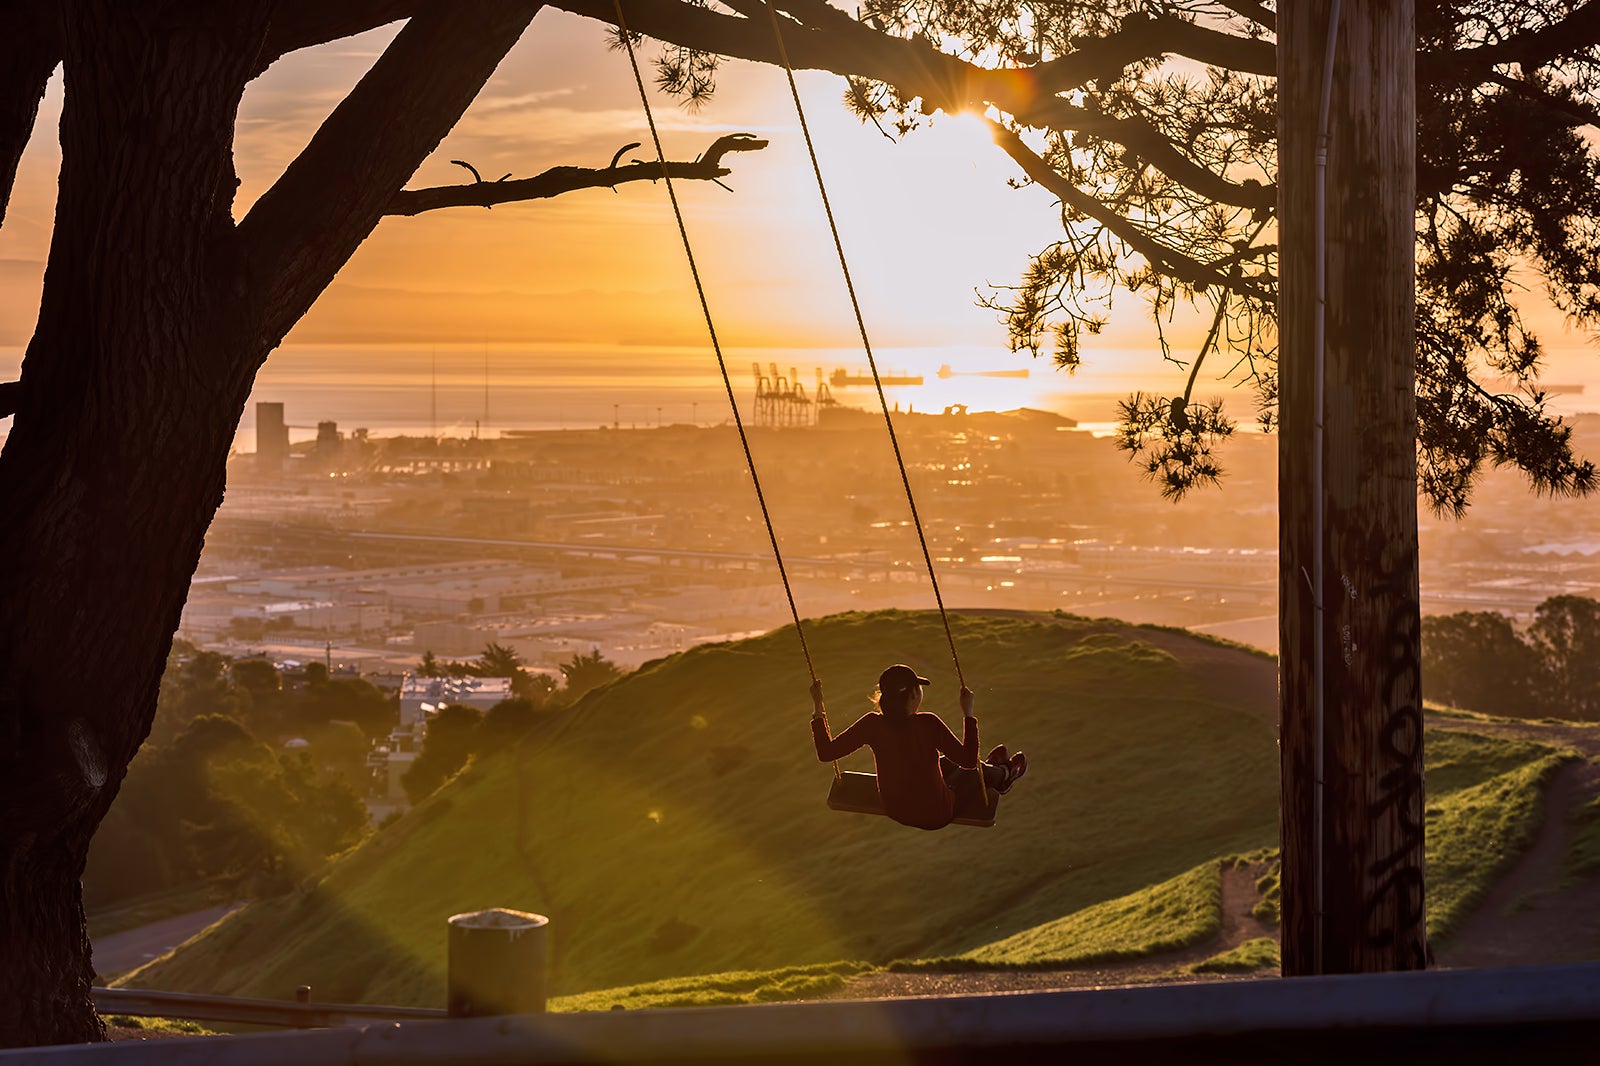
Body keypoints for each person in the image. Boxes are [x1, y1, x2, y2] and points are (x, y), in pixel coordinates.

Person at [809, 664, 1027, 830]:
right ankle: (1003, 775)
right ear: (914, 695)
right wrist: (968, 713)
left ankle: (993, 769)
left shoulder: (871, 724)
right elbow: (968, 761)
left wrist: (818, 705)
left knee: (946, 763)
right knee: (970, 773)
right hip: (936, 814)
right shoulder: (928, 724)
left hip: (896, 809)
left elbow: (826, 752)